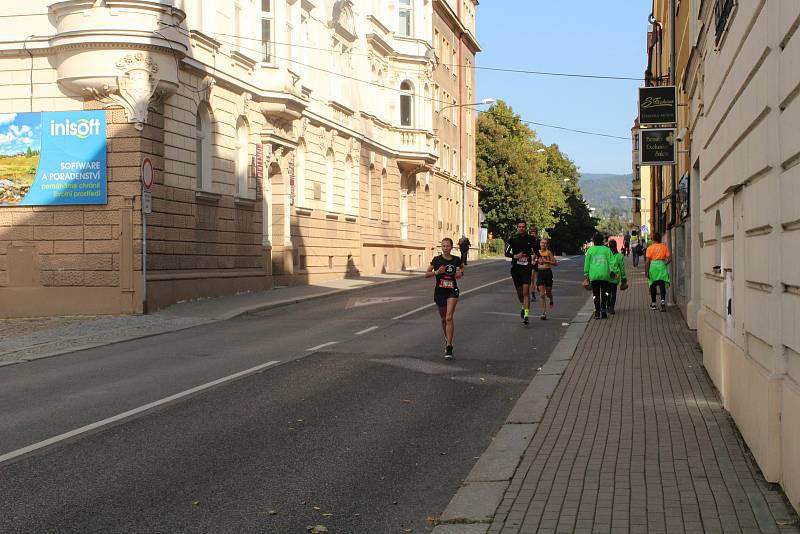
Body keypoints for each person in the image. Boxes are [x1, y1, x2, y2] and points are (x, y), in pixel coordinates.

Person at [426, 237, 464, 359]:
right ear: (441, 247)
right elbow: (426, 274)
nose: (445, 248)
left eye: (447, 246)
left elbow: (462, 268)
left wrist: (460, 273)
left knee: (448, 317)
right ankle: (446, 338)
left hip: (452, 291)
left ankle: (449, 346)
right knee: (443, 319)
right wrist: (437, 272)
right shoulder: (436, 260)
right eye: (443, 246)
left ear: (451, 247)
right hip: (440, 292)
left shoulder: (456, 260)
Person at [505, 221, 537, 325]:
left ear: (526, 228)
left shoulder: (531, 239)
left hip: (527, 269)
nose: (521, 228)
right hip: (516, 269)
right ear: (517, 228)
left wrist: (540, 259)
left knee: (526, 292)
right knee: (520, 293)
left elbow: (537, 251)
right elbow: (506, 253)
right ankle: (523, 305)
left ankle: (526, 315)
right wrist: (515, 256)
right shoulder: (513, 239)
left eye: (523, 227)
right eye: (519, 227)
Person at [584, 232, 614, 319]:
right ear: (602, 240)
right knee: (605, 293)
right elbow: (612, 262)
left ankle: (597, 313)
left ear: (593, 240)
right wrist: (612, 271)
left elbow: (587, 264)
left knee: (595, 294)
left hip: (593, 276)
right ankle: (603, 310)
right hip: (605, 275)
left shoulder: (590, 250)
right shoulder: (607, 250)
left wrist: (586, 274)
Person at [645, 231, 671, 312]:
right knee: (662, 285)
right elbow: (669, 258)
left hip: (653, 267)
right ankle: (663, 302)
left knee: (652, 285)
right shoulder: (664, 247)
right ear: (660, 239)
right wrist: (665, 264)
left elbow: (647, 261)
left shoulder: (649, 248)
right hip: (661, 266)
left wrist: (646, 271)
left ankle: (653, 304)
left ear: (653, 239)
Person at [535, 237, 557, 320]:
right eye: (542, 243)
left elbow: (555, 263)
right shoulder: (537, 253)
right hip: (540, 273)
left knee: (548, 292)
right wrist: (537, 262)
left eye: (545, 243)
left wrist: (546, 261)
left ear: (547, 245)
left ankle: (551, 299)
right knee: (542, 295)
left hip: (548, 273)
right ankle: (543, 313)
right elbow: (533, 261)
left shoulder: (548, 252)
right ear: (540, 244)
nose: (543, 244)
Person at [608, 240, 627, 315]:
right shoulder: (619, 256)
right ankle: (612, 308)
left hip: (607, 276)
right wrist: (623, 278)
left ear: (609, 246)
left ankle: (607, 305)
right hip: (616, 277)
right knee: (614, 292)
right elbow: (622, 268)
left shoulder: (607, 255)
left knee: (607, 292)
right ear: (616, 245)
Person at [528, 227, 541, 301]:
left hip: (537, 261)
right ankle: (533, 294)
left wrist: (535, 258)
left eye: (534, 233)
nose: (533, 234)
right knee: (531, 279)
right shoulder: (528, 241)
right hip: (530, 262)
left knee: (538, 279)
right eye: (531, 233)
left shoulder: (538, 241)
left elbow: (538, 251)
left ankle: (539, 289)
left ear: (536, 234)